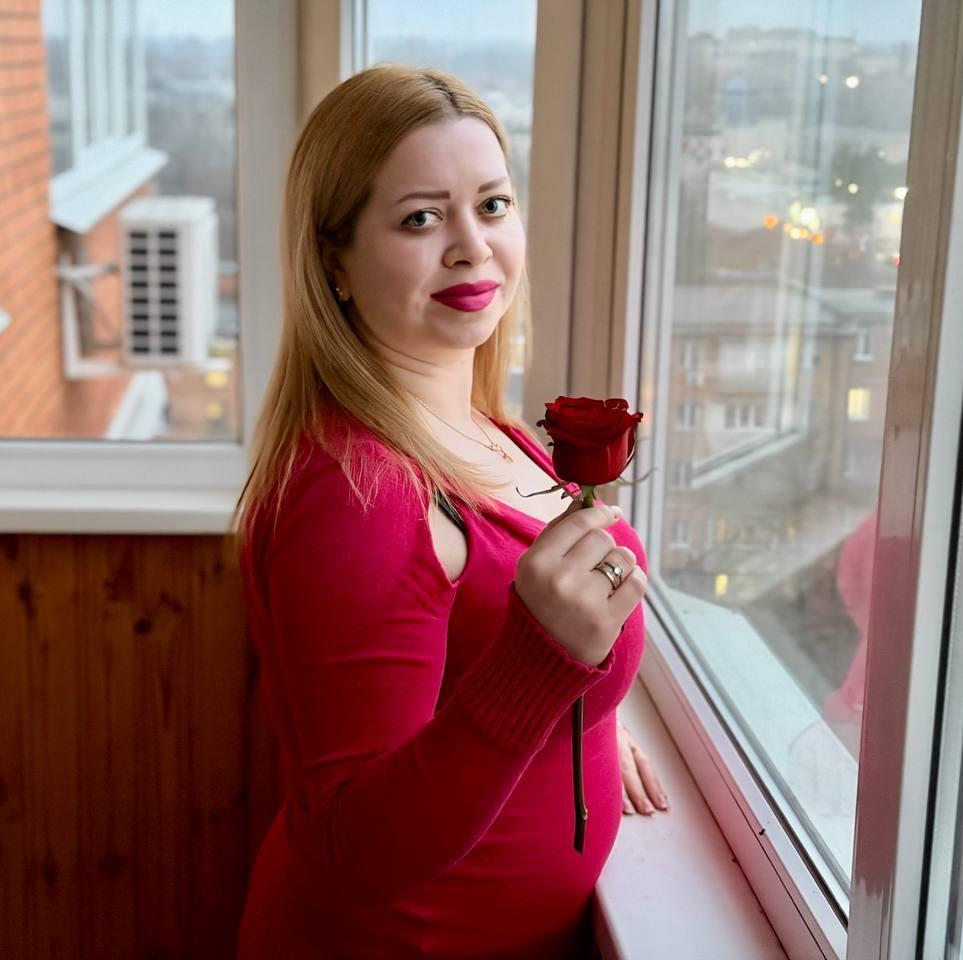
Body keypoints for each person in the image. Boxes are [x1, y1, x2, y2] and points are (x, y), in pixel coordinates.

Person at [228, 64, 664, 959]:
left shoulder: (489, 432)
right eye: (421, 219)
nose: (471, 247)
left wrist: (584, 721)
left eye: (493, 205)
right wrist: (541, 676)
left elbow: (481, 680)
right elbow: (354, 845)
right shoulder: (357, 499)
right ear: (335, 261)